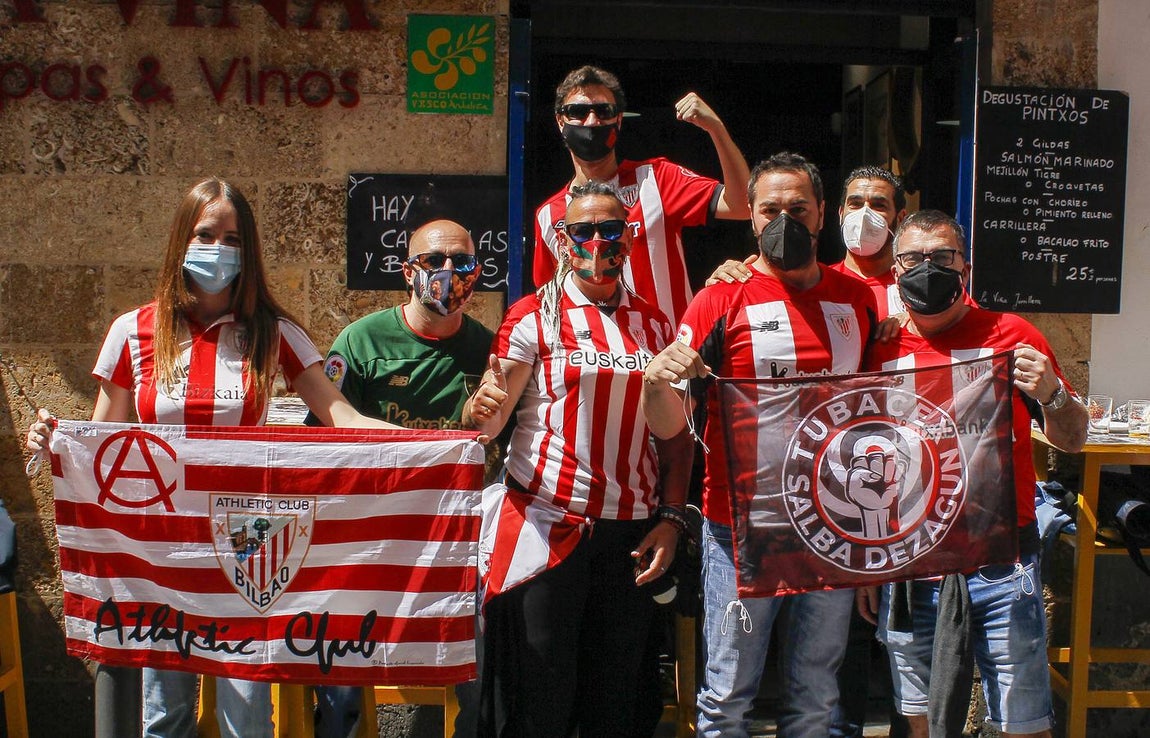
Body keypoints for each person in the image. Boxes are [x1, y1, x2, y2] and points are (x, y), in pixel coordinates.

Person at [26, 177, 400, 738]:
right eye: (206, 234)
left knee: (246, 718)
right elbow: (103, 437)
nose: (218, 249)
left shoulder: (275, 332)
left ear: (247, 250)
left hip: (248, 550)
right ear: (182, 239)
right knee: (163, 717)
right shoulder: (133, 331)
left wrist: (436, 445)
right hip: (158, 552)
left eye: (232, 238)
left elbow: (341, 416)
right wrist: (56, 441)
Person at [640, 152, 878, 738]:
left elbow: (885, 413)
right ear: (751, 218)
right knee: (727, 697)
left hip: (835, 528)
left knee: (817, 697)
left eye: (798, 208)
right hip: (741, 530)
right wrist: (656, 380)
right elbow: (669, 417)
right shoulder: (720, 299)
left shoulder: (862, 300)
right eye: (770, 209)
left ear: (823, 214)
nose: (785, 220)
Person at [465, 181, 694, 736]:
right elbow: (489, 423)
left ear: (630, 238)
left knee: (614, 700)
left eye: (609, 229)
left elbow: (676, 438)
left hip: (630, 537)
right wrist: (478, 409)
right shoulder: (531, 316)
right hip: (546, 528)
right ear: (563, 240)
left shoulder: (657, 325)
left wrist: (672, 518)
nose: (596, 241)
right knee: (537, 697)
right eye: (582, 230)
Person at [856, 210, 1088, 738]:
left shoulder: (1013, 335)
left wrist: (1052, 391)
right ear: (895, 271)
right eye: (914, 258)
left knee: (1022, 721)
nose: (928, 267)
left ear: (966, 265)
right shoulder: (878, 348)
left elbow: (1073, 438)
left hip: (1001, 563)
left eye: (942, 257)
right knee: (921, 718)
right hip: (909, 563)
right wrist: (869, 566)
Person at [307, 219, 494, 738]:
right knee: (333, 642)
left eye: (462, 261)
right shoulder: (361, 341)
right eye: (435, 262)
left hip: (452, 537)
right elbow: (323, 438)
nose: (449, 273)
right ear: (409, 271)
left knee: (485, 637)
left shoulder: (489, 350)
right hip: (369, 532)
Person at [533, 64, 751, 325]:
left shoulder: (657, 179)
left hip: (671, 354)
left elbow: (743, 206)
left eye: (604, 111)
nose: (592, 122)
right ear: (560, 121)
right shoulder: (548, 215)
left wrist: (716, 129)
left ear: (619, 119)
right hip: (595, 359)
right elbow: (549, 300)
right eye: (578, 112)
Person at [707, 164, 908, 321]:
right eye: (855, 204)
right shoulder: (816, 283)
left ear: (900, 218)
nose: (864, 214)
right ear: (840, 214)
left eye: (878, 205)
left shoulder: (914, 289)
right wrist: (724, 287)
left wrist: (916, 324)